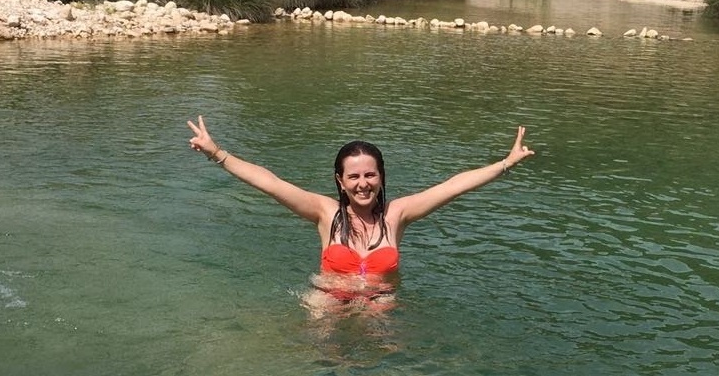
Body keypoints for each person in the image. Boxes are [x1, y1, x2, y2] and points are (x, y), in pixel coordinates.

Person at [186, 116, 534, 303]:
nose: (362, 183)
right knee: (322, 360)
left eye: (370, 174)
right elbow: (272, 183)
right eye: (353, 176)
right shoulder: (325, 213)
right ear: (340, 181)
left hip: (380, 304)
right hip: (327, 301)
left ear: (381, 177)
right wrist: (218, 153)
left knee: (381, 361)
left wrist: (504, 164)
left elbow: (453, 186)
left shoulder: (397, 215)